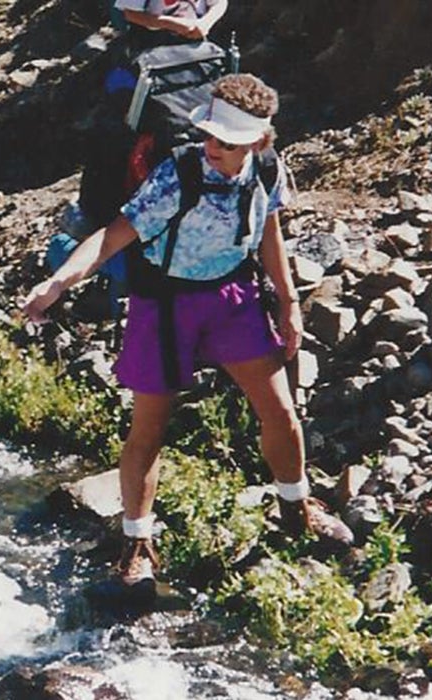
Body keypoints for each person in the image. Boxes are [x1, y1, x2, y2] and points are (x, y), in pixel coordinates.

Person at [22, 74, 352, 592]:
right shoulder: (177, 174)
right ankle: (137, 545)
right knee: (149, 429)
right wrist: (58, 282)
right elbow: (113, 236)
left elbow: (268, 229)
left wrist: (289, 304)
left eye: (227, 142)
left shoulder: (267, 168)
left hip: (233, 299)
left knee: (281, 412)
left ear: (258, 142)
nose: (213, 147)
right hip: (163, 305)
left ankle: (296, 508)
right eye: (210, 136)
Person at [115, 0, 229, 46]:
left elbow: (219, 3)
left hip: (197, 44)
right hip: (154, 46)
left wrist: (206, 23)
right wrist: (174, 25)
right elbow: (130, 14)